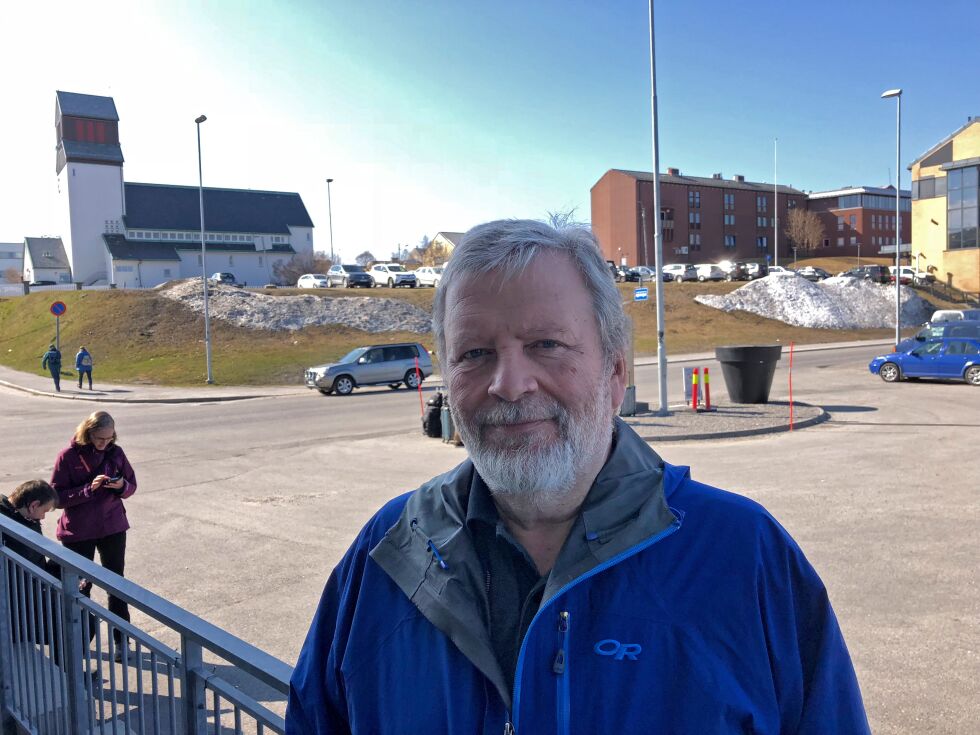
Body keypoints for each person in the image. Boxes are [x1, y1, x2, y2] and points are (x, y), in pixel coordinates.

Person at [286, 220, 870, 734]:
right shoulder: (386, 554)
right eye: (474, 354)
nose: (509, 385)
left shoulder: (746, 558)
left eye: (546, 344)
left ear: (616, 371)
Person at [50, 410, 137, 662]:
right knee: (80, 587)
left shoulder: (116, 453)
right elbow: (56, 498)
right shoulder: (67, 456)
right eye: (100, 439)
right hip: (79, 532)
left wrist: (121, 487)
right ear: (87, 433)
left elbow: (132, 485)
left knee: (116, 584)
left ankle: (122, 641)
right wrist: (88, 490)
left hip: (112, 527)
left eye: (109, 438)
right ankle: (78, 645)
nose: (105, 444)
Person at [1, 480, 62, 663]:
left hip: (30, 592)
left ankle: (66, 670)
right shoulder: (7, 522)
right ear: (33, 505)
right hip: (17, 603)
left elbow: (35, 558)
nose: (43, 518)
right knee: (74, 622)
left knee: (79, 619)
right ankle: (67, 673)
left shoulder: (27, 517)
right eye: (44, 511)